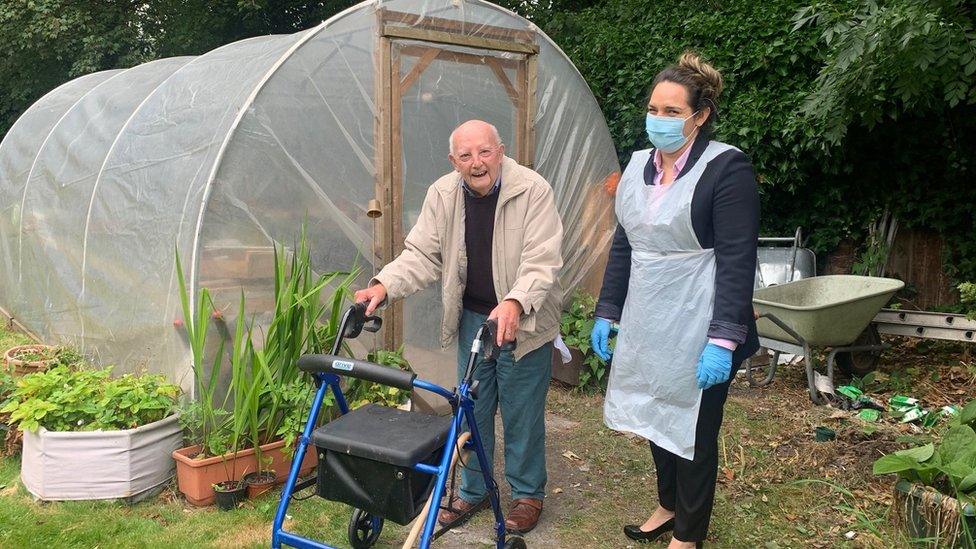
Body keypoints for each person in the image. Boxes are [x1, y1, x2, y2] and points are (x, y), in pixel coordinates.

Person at [354, 119, 563, 535]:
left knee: (521, 410)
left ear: (500, 151)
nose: (477, 163)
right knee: (471, 405)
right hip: (473, 318)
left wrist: (515, 301)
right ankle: (472, 490)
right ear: (454, 161)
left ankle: (526, 494)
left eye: (484, 152)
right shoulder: (443, 194)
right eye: (465, 156)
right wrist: (383, 285)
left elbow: (543, 260)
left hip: (524, 319)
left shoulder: (532, 189)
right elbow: (421, 254)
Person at [589, 52, 760, 548]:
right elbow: (625, 242)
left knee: (694, 430)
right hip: (648, 318)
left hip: (700, 320)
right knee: (652, 413)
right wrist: (607, 310)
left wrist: (724, 340)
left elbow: (736, 259)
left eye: (671, 112)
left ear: (699, 116)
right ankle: (667, 504)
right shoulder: (640, 163)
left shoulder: (726, 168)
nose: (658, 120)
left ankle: (688, 533)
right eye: (653, 109)